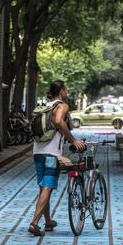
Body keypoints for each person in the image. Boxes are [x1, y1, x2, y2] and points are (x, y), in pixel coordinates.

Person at [28, 80, 85, 236]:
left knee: (43, 187)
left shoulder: (46, 106)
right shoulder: (62, 105)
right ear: (61, 90)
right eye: (65, 88)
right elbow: (59, 121)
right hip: (51, 153)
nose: (67, 91)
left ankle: (47, 221)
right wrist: (73, 140)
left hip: (37, 150)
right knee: (47, 187)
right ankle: (34, 223)